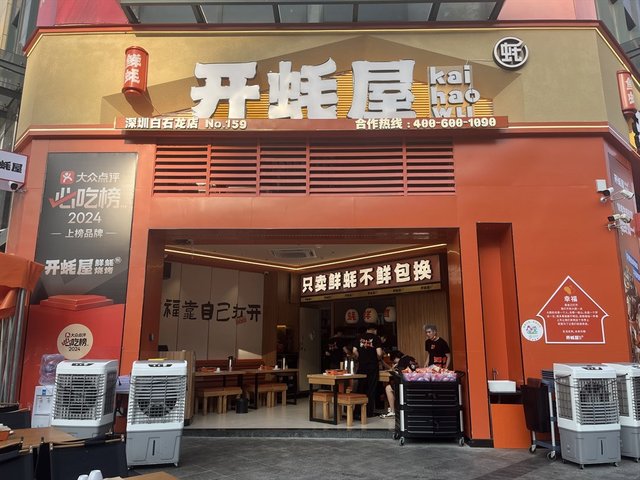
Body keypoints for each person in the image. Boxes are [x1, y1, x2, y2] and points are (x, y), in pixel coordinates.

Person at [352, 325, 383, 418]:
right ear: (374, 330)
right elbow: (379, 353)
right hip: (372, 367)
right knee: (371, 389)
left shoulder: (359, 337)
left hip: (362, 366)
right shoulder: (376, 338)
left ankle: (357, 412)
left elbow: (354, 351)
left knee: (360, 388)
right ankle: (368, 412)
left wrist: (360, 357)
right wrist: (378, 358)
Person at [380, 350, 416, 419]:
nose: (394, 363)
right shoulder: (411, 358)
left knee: (388, 388)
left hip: (404, 385)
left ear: (396, 357)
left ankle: (392, 411)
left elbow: (399, 374)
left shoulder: (401, 361)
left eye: (394, 361)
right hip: (413, 383)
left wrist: (394, 368)